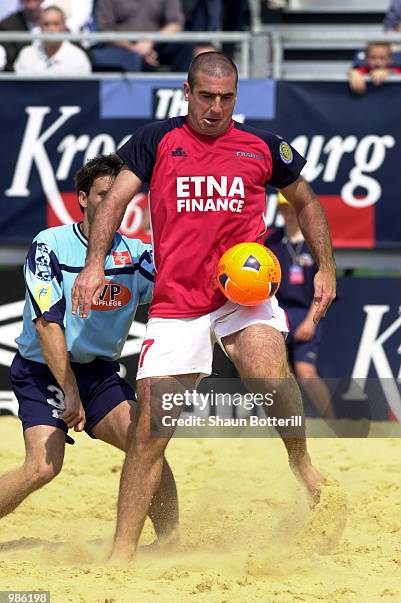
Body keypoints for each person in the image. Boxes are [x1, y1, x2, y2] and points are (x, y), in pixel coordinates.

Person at [72, 52, 336, 562]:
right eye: (207, 96)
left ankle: (300, 461)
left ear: (236, 97)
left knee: (265, 370)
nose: (216, 108)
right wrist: (94, 264)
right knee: (150, 427)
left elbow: (306, 201)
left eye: (226, 98)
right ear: (187, 92)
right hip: (178, 300)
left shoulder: (262, 145)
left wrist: (325, 265)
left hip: (244, 291)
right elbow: (114, 201)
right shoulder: (157, 140)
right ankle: (121, 554)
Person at [1, 154, 178, 549]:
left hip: (99, 375)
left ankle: (170, 543)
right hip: (44, 370)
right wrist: (68, 389)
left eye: (118, 195)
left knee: (146, 443)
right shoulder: (50, 244)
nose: (111, 203)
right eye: (102, 195)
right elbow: (47, 324)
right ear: (82, 198)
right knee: (42, 468)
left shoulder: (136, 255)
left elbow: (178, 291)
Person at [265, 193, 335, 420]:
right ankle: (286, 422)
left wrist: (311, 321)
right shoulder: (273, 241)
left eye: (292, 209)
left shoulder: (314, 242)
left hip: (306, 312)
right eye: (285, 209)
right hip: (278, 312)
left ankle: (333, 422)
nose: (289, 214)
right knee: (277, 374)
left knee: (306, 372)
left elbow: (326, 287)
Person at [92, 0, 191, 73]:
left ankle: (179, 91)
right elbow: (104, 29)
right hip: (121, 46)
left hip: (155, 43)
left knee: (185, 45)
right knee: (129, 58)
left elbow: (175, 23)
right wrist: (134, 48)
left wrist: (150, 42)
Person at [14, 6, 91, 76]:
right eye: (46, 24)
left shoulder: (78, 58)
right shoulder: (26, 55)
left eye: (56, 24)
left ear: (64, 27)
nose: (51, 29)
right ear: (40, 28)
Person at [0, 0, 43, 71]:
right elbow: (9, 59)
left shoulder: (53, 20)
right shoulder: (7, 25)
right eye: (27, 0)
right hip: (19, 75)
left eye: (35, 0)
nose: (31, 5)